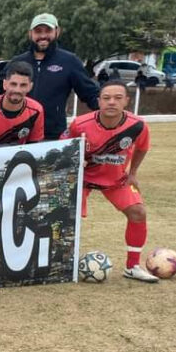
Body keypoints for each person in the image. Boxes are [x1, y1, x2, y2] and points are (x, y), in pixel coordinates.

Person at [66, 80, 157, 282]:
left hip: (115, 179)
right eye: (106, 98)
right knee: (68, 218)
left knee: (138, 212)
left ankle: (132, 266)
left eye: (117, 98)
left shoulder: (138, 126)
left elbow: (142, 148)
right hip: (83, 178)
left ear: (126, 101)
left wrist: (133, 172)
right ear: (98, 101)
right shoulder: (79, 124)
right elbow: (65, 147)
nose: (111, 102)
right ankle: (63, 265)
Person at [0, 13, 99, 140]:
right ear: (30, 34)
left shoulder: (70, 61)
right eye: (38, 31)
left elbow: (90, 94)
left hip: (53, 136)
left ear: (57, 32)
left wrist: (110, 105)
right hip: (18, 136)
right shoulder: (17, 62)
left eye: (48, 31)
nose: (43, 36)